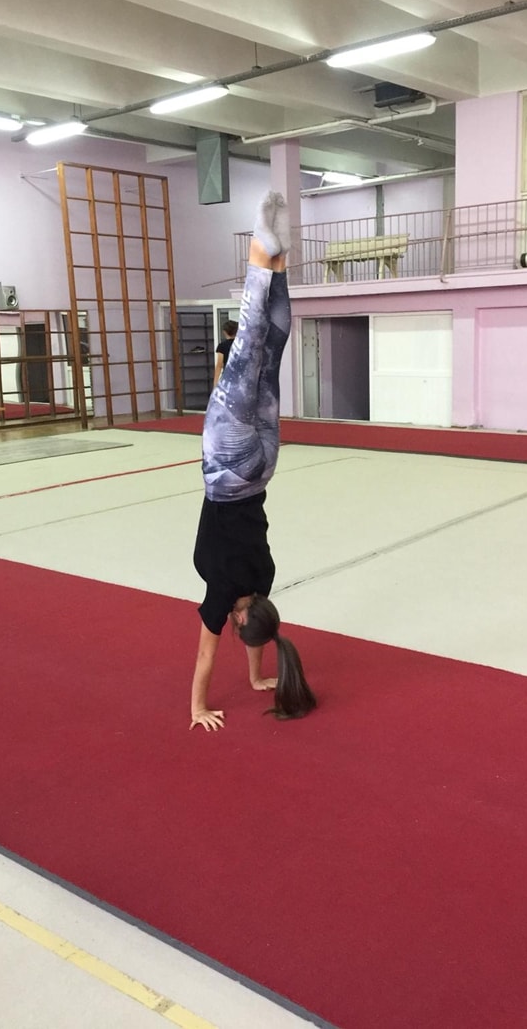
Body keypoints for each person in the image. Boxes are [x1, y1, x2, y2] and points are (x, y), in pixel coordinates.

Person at [190, 192, 317, 731]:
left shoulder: (265, 579)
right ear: (239, 618)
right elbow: (205, 658)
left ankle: (279, 264)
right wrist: (198, 708)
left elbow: (257, 630)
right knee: (246, 352)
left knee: (271, 355)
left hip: (263, 469)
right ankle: (261, 255)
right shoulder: (223, 594)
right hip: (228, 470)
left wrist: (259, 676)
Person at [212, 319, 239, 388]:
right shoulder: (241, 345)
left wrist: (215, 383)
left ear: (224, 332)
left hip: (228, 376)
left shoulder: (222, 346)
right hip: (240, 376)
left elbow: (219, 365)